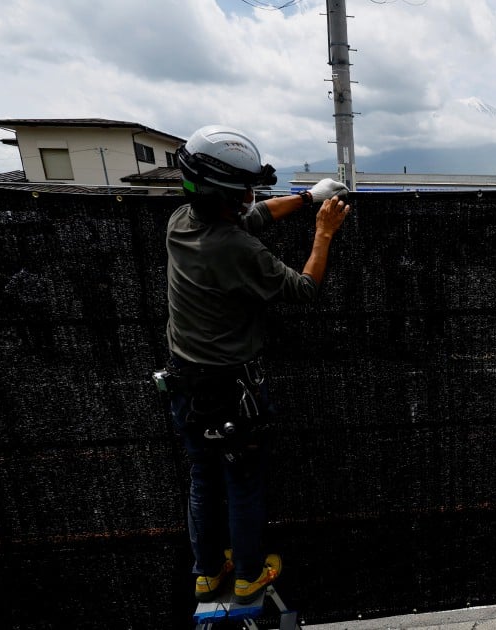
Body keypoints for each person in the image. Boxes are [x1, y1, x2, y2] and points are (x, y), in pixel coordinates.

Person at [164, 124, 351, 604]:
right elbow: (304, 288)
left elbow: (255, 216)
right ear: (219, 195)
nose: (250, 197)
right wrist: (324, 231)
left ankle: (207, 571)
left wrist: (308, 196)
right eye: (241, 191)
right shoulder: (234, 248)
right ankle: (248, 574)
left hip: (185, 381)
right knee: (242, 480)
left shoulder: (182, 221)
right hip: (231, 388)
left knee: (203, 478)